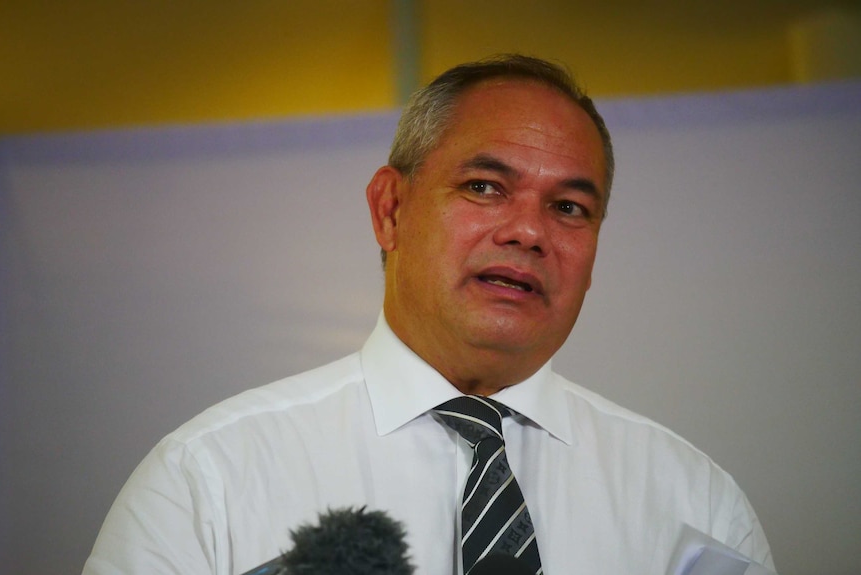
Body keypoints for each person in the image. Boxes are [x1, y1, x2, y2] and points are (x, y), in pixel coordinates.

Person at [83, 55, 774, 574]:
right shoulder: (207, 481)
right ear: (390, 210)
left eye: (569, 207)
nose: (529, 232)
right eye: (484, 186)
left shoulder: (698, 504)